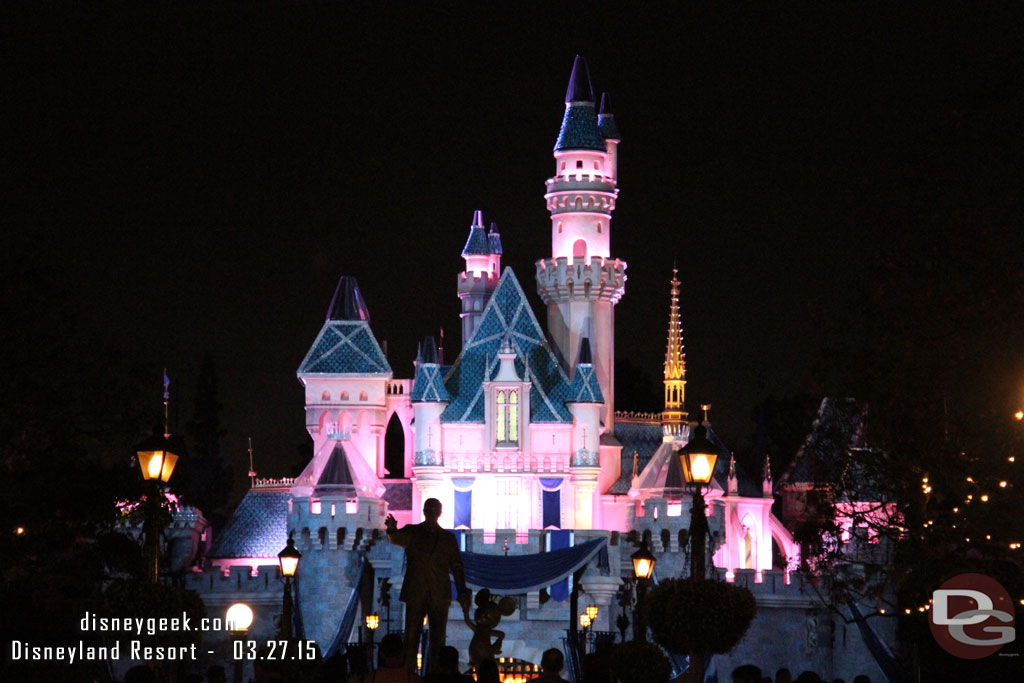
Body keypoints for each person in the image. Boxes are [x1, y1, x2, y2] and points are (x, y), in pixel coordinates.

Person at [385, 498, 472, 671]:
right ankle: (408, 674)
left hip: (439, 594)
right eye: (429, 509)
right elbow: (397, 538)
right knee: (411, 637)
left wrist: (462, 591)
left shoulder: (448, 539)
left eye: (435, 509)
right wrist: (392, 529)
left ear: (439, 513)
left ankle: (436, 674)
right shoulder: (412, 531)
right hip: (416, 592)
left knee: (438, 640)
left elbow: (457, 566)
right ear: (424, 511)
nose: (432, 512)